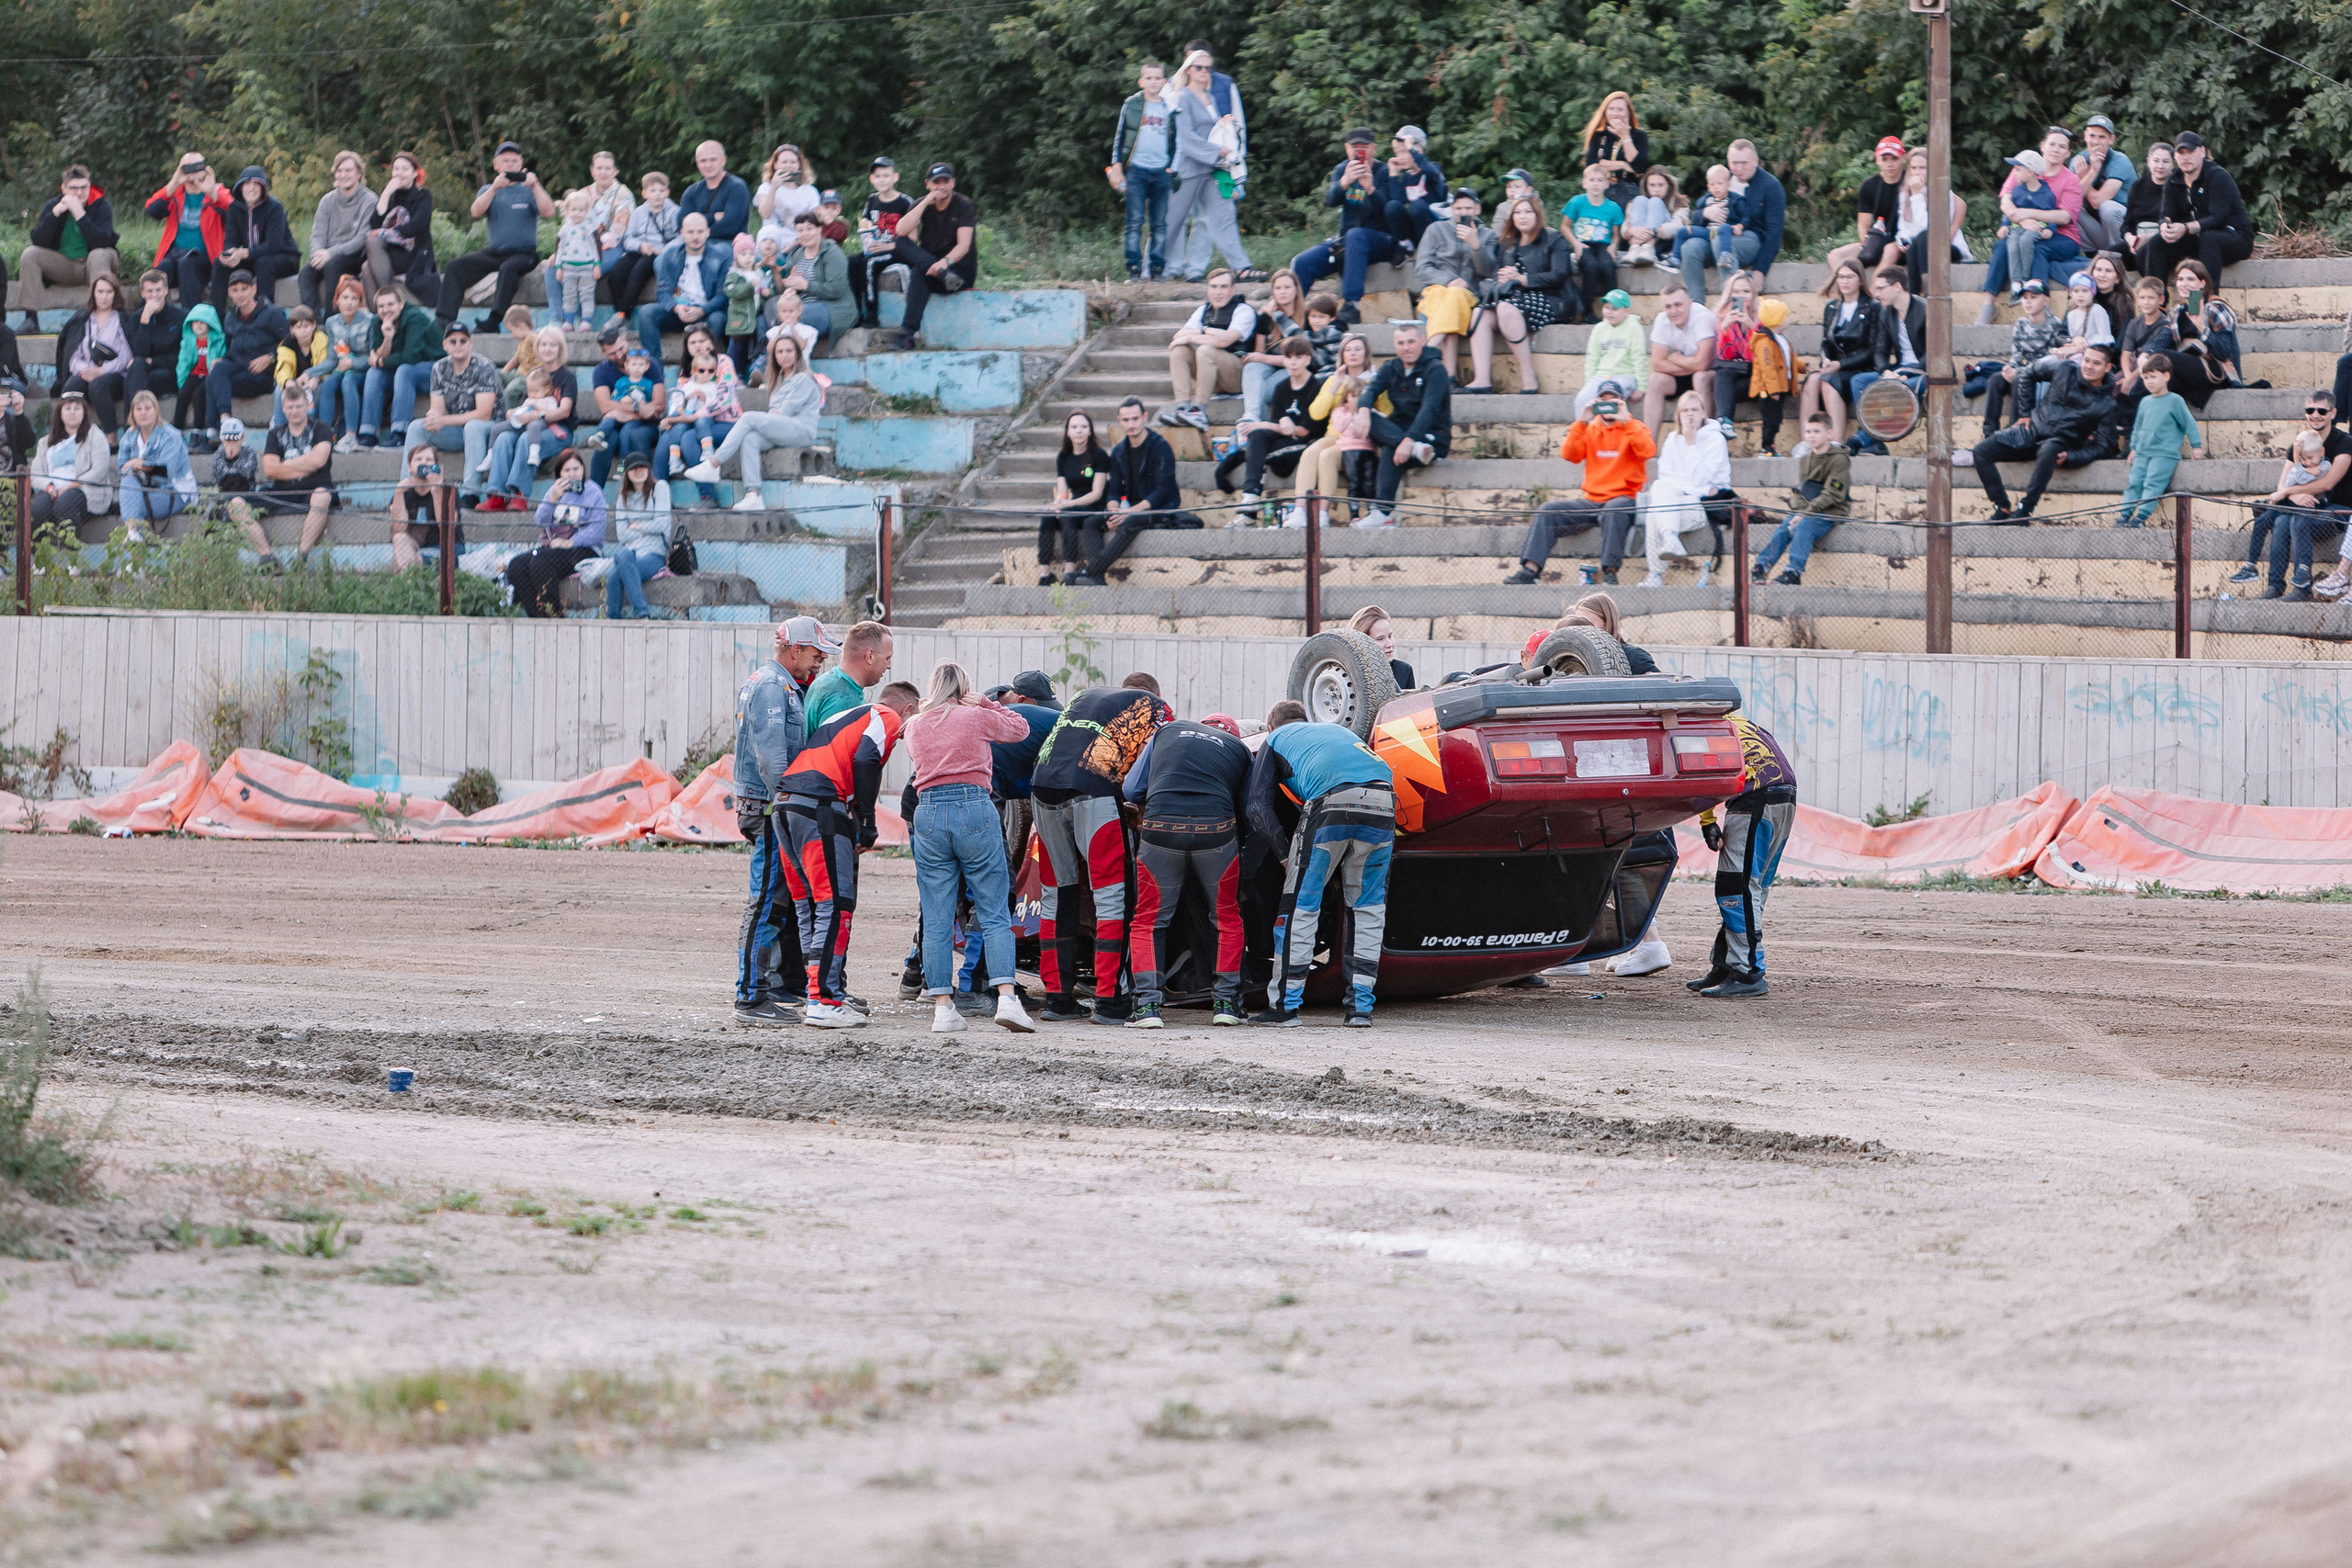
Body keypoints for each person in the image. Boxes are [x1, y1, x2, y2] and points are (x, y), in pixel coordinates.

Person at [773, 679, 918, 1028]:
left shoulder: (846, 715)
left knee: (809, 906)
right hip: (820, 807)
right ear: (908, 710)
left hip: (785, 806)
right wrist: (867, 819)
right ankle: (824, 999)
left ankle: (820, 994)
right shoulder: (886, 715)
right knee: (835, 906)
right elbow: (867, 757)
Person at [1030, 676, 1173, 1021]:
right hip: (1093, 788)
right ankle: (1111, 1000)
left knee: (1056, 894)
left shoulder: (1086, 695)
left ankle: (1057, 999)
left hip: (1042, 785)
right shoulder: (1156, 708)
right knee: (1112, 896)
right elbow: (1159, 767)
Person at [907, 661, 1038, 1033]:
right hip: (973, 807)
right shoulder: (974, 716)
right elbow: (1020, 729)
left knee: (936, 915)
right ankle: (1008, 998)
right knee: (994, 908)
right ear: (964, 688)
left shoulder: (914, 725)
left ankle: (943, 1009)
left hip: (929, 811)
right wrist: (987, 704)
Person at [1243, 707, 1396, 1027]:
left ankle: (1284, 1008)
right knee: (1367, 906)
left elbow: (1257, 806)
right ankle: (1360, 1010)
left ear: (1272, 725)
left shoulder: (1276, 737)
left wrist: (1285, 857)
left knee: (1300, 905)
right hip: (1383, 801)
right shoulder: (1338, 733)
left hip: (1331, 803)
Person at [1120, 712, 1254, 1027]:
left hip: (1160, 830)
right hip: (1217, 833)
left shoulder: (1168, 731)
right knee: (1226, 917)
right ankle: (1227, 1005)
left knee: (1149, 920)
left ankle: (1147, 1008)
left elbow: (1131, 790)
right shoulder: (1240, 750)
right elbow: (1247, 806)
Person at [732, 617, 833, 1025]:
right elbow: (772, 757)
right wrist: (789, 805)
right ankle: (750, 997)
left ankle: (769, 986)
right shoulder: (774, 688)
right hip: (770, 807)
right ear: (794, 649)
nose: (819, 663)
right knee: (766, 902)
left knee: (779, 899)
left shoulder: (778, 682)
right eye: (814, 654)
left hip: (768, 803)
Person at [1690, 714, 1796, 998]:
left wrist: (1706, 820)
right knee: (1753, 887)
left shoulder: (1698, 728)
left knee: (1735, 888)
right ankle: (1726, 964)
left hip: (1753, 799)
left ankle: (1748, 972)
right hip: (1783, 797)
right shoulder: (1740, 721)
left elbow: (1703, 774)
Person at [1508, 380, 1653, 584]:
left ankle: (1610, 574)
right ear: (1595, 404)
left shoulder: (1635, 427)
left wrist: (1626, 421)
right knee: (1548, 510)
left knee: (1613, 510)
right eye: (1603, 401)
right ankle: (1530, 571)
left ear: (1622, 402)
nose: (1607, 406)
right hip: (1592, 500)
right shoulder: (1589, 428)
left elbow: (1648, 451)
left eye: (1613, 401)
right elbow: (1569, 455)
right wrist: (1582, 422)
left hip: (1624, 497)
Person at [1961, 343, 2120, 523]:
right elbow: (2028, 373)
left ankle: (2024, 510)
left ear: (2107, 367)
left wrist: (2073, 456)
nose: (2089, 366)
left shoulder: (2107, 404)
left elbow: (2106, 446)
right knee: (1980, 452)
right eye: (2086, 360)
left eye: (2096, 363)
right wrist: (2025, 412)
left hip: (2059, 443)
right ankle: (2002, 506)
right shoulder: (2065, 368)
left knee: (2049, 448)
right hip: (2032, 431)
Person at [684, 330, 820, 512]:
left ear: (797, 354)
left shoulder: (804, 378)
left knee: (748, 417)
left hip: (801, 430)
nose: (784, 355)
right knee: (750, 438)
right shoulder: (779, 379)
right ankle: (753, 495)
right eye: (780, 352)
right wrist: (769, 418)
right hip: (784, 428)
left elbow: (786, 412)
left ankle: (713, 463)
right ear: (774, 356)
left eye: (789, 351)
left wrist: (767, 418)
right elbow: (775, 412)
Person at [1074, 397, 1202, 582]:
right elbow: (1114, 488)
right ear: (1119, 420)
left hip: (1160, 509)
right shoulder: (1119, 451)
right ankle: (1097, 578)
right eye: (1126, 420)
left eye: (1135, 419)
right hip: (1130, 509)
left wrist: (1129, 513)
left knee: (1130, 521)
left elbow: (1162, 491)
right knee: (1091, 523)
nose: (1131, 424)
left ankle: (1091, 572)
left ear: (1144, 417)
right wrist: (1113, 510)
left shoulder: (1160, 447)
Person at [1291, 129, 1406, 327]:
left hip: (1383, 241)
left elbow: (1393, 210)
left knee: (1355, 235)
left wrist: (1370, 189)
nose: (1359, 151)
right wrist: (1344, 182)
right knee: (1303, 261)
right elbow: (1330, 201)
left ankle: (1352, 304)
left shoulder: (1385, 171)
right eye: (1354, 147)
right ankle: (1293, 314)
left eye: (1364, 147)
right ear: (1346, 149)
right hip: (1348, 243)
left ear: (1373, 148)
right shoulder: (1342, 169)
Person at [1161, 50, 1255, 283]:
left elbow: (1211, 131)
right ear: (1188, 70)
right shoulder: (1182, 97)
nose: (1204, 71)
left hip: (1214, 169)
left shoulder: (1211, 97)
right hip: (1189, 169)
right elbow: (1186, 137)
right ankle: (1152, 269)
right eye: (1199, 67)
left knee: (1224, 216)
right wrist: (1216, 152)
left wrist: (1225, 126)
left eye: (1208, 68)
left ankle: (1241, 267)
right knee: (1173, 220)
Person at [2248, 391, 2352, 600]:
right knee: (2282, 521)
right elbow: (2283, 482)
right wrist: (2292, 496)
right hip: (2307, 508)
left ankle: (2302, 589)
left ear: (2333, 413)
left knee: (2298, 519)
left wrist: (2288, 492)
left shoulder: (2345, 442)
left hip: (2338, 511)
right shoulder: (2300, 443)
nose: (2315, 415)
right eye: (2310, 410)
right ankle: (2275, 585)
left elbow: (2328, 482)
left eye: (2321, 411)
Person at [438, 142, 552, 327]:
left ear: (521, 163)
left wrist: (536, 185)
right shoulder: (488, 190)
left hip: (525, 254)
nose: (510, 164)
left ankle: (493, 320)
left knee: (508, 268)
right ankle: (444, 320)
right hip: (495, 253)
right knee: (455, 267)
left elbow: (549, 212)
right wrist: (494, 189)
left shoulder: (529, 189)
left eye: (514, 161)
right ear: (496, 165)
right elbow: (475, 212)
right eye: (505, 161)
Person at [1219, 335, 1327, 525]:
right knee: (1257, 436)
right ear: (1283, 360)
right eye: (1289, 357)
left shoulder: (1316, 387)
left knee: (1256, 446)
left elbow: (1304, 432)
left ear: (1308, 359)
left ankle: (1248, 515)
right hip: (1281, 446)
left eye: (1299, 357)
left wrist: (1267, 425)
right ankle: (1250, 499)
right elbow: (1277, 428)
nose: (1293, 362)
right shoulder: (1281, 387)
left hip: (1305, 447)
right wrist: (1265, 427)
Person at [1468, 196, 1569, 394]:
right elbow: (1495, 272)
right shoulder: (1507, 243)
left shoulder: (1554, 239)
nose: (1522, 216)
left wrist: (1522, 279)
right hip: (1514, 299)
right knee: (1481, 314)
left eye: (1528, 212)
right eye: (1517, 212)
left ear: (1537, 214)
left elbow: (1560, 274)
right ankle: (1481, 380)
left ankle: (1528, 375)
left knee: (1505, 308)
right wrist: (1503, 277)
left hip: (1552, 298)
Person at [1355, 320, 1451, 527]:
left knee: (1392, 447)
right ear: (1394, 344)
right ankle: (1414, 449)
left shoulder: (1436, 369)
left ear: (1422, 341)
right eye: (1400, 343)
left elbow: (1429, 409)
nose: (1406, 348)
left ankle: (1381, 512)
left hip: (1431, 436)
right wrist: (1362, 410)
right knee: (1368, 418)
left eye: (1411, 342)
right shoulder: (1391, 367)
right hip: (1404, 436)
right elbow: (1370, 391)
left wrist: (1409, 440)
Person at [1974, 141, 2082, 321]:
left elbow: (2065, 217)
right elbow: (2006, 201)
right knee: (2002, 245)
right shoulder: (2021, 169)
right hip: (2022, 228)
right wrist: (2020, 219)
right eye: (2052, 144)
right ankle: (1988, 305)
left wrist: (2029, 214)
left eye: (2062, 147)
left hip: (2061, 235)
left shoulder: (2070, 179)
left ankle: (2040, 302)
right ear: (2042, 146)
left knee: (2038, 248)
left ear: (2068, 153)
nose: (2056, 149)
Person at [404, 320, 503, 505]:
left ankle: (471, 493)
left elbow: (484, 414)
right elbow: (438, 409)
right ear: (445, 345)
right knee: (417, 427)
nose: (458, 345)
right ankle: (408, 489)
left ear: (471, 343)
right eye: (453, 341)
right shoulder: (439, 368)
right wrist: (433, 418)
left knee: (473, 427)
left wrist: (444, 420)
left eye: (463, 341)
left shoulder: (484, 367)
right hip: (460, 431)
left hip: (490, 431)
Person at [1642, 391, 1734, 585]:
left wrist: (1691, 443)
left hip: (1704, 506)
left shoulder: (1716, 439)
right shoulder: (1672, 439)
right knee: (1658, 489)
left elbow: (1702, 477)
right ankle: (1670, 539)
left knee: (1654, 511)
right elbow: (1666, 477)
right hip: (1679, 500)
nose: (1690, 414)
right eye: (1685, 410)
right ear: (1678, 414)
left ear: (1704, 412)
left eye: (1694, 409)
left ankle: (1656, 573)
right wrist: (1698, 488)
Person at [482, 325, 576, 508]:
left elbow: (564, 411)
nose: (547, 349)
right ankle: (496, 496)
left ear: (560, 349)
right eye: (543, 345)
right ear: (537, 348)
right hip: (531, 425)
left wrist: (538, 414)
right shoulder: (534, 374)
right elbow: (527, 404)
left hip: (559, 430)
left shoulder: (568, 377)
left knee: (526, 439)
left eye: (553, 345)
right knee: (503, 437)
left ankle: (520, 495)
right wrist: (514, 413)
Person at [884, 164, 978, 347]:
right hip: (935, 271)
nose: (941, 186)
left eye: (945, 181)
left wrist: (944, 263)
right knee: (900, 243)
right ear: (928, 184)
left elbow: (964, 245)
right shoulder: (922, 203)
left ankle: (907, 334)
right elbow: (901, 230)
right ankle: (907, 337)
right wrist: (926, 202)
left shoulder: (964, 205)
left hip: (958, 272)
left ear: (953, 183)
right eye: (936, 182)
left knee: (920, 271)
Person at [2141, 133, 2253, 287]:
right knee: (2156, 244)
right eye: (2181, 153)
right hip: (2198, 241)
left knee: (2209, 239)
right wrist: (2164, 227)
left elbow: (2220, 218)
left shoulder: (2217, 176)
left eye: (2190, 152)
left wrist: (2186, 228)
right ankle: (2158, 304)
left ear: (2202, 152)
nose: (2186, 157)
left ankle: (2206, 303)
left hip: (2234, 237)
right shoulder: (2173, 181)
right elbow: (2166, 215)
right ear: (2175, 157)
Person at [1751, 412, 1850, 583]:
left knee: (1804, 525)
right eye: (1808, 431)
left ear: (1829, 434)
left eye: (1817, 431)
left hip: (1831, 511)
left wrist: (1805, 513)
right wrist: (1801, 511)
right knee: (1785, 527)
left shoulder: (1839, 460)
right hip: (1808, 510)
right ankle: (1762, 566)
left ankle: (1793, 572)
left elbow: (1833, 494)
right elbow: (1798, 491)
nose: (1811, 436)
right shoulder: (1805, 459)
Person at [502, 447, 604, 615]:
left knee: (541, 562)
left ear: (583, 469)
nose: (572, 474)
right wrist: (553, 499)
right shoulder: (553, 491)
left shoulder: (593, 492)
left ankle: (555, 614)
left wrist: (570, 542)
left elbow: (597, 529)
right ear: (559, 473)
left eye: (576, 469)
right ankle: (537, 615)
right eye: (567, 470)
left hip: (584, 550)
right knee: (516, 566)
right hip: (553, 549)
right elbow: (540, 521)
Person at [1678, 140, 1785, 297]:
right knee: (1690, 247)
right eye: (1734, 163)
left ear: (1755, 161)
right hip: (1715, 235)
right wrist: (1705, 213)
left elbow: (1775, 232)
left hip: (1750, 239)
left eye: (1744, 163)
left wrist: (1760, 270)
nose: (1739, 169)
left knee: (1721, 243)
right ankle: (1696, 306)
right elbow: (1697, 216)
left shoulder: (1771, 186)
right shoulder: (1723, 179)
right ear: (1728, 161)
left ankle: (1733, 306)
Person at [196, 269, 287, 454]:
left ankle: (216, 429)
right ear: (230, 293)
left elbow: (290, 342)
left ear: (254, 289)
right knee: (214, 374)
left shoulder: (271, 314)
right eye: (235, 290)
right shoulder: (231, 318)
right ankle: (221, 424)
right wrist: (221, 359)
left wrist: (270, 358)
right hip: (238, 370)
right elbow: (232, 349)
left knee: (215, 377)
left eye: (244, 289)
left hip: (262, 376)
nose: (240, 294)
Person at [246, 379, 337, 563]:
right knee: (236, 505)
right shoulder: (275, 434)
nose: (294, 411)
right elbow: (269, 469)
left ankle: (301, 556)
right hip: (282, 492)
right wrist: (306, 465)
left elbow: (319, 460)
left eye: (298, 406)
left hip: (316, 488)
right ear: (283, 409)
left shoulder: (321, 428)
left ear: (307, 406)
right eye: (290, 407)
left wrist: (285, 465)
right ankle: (266, 556)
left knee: (322, 496)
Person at [19, 164, 120, 321]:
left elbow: (101, 242)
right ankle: (30, 319)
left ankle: (101, 319)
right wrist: (55, 213)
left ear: (89, 185)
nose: (79, 193)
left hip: (95, 264)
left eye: (84, 187)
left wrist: (79, 213)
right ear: (64, 188)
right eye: (74, 188)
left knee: (98, 254)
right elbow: (38, 240)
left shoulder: (101, 205)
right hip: (64, 266)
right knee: (30, 254)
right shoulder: (54, 205)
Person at [1414, 189, 1494, 380]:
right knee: (1452, 297)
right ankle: (1449, 376)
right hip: (1436, 292)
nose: (1463, 212)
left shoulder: (1488, 235)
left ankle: (1431, 351)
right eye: (1458, 208)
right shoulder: (1435, 230)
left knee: (1456, 295)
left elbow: (1489, 271)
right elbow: (1422, 268)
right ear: (1451, 209)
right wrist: (1448, 280)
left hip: (1470, 295)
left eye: (1468, 208)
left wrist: (1476, 245)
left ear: (1477, 209)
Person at [1844, 265, 1925, 457]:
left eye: (1881, 288)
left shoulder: (1924, 310)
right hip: (1899, 370)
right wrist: (1885, 371)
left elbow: (1934, 357)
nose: (1876, 293)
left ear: (1897, 286)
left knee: (1898, 388)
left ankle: (1861, 439)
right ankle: (1874, 441)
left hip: (1926, 372)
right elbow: (1880, 350)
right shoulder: (1886, 312)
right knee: (1859, 381)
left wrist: (1905, 374)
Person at [2114, 355, 2202, 529]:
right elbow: (2138, 427)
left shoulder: (2174, 400)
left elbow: (2188, 423)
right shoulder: (2145, 402)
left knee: (2152, 482)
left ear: (2166, 376)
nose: (2149, 382)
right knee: (2134, 482)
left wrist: (2196, 446)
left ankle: (2141, 517)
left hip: (2164, 454)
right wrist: (2133, 448)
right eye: (2145, 378)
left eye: (2153, 377)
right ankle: (2125, 515)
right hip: (2142, 453)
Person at [1109, 61, 1177, 281]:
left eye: (1157, 78)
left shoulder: (1170, 108)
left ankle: (1157, 268)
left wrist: (1172, 168)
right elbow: (1120, 137)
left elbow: (1178, 140)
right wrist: (1117, 166)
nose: (1153, 82)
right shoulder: (1132, 104)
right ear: (1141, 81)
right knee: (1134, 221)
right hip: (1137, 170)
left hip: (1161, 171)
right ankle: (1134, 269)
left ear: (1164, 82)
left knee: (1159, 224)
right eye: (1148, 78)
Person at [634, 211, 727, 368]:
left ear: (708, 232)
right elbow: (662, 292)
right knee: (646, 312)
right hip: (678, 313)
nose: (695, 236)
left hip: (705, 314)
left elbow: (721, 295)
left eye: (700, 231)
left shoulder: (721, 257)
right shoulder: (670, 255)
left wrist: (701, 310)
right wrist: (676, 308)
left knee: (718, 318)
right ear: (682, 233)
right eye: (690, 232)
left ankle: (703, 367)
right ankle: (654, 369)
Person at [1799, 260, 1875, 445]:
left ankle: (1836, 443)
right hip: (1835, 367)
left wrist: (1839, 365)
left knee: (1828, 381)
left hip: (1860, 369)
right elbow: (1826, 343)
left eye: (1850, 277)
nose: (1845, 281)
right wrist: (1825, 359)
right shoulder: (1832, 308)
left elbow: (1871, 350)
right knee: (1812, 380)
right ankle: (1807, 442)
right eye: (1841, 277)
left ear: (1860, 281)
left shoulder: (1872, 307)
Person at [146, 152, 232, 310]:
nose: (192, 172)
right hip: (175, 257)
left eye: (197, 167)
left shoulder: (217, 191)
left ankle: (192, 321)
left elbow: (234, 214)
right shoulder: (175, 194)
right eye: (188, 168)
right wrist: (174, 182)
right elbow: (152, 210)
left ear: (205, 169)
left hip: (205, 260)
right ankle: (145, 320)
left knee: (187, 264)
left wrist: (211, 193)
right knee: (160, 272)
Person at [1822, 136, 1910, 288]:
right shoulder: (1870, 185)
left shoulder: (1911, 181)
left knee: (1890, 250)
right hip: (1879, 239)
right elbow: (1863, 226)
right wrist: (1868, 245)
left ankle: (1874, 294)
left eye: (1894, 159)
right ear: (1877, 160)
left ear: (1903, 158)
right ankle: (1853, 291)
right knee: (1835, 255)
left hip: (1903, 244)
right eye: (1885, 159)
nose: (1889, 164)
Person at [363, 285, 442, 449]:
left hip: (435, 369)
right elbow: (379, 355)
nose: (386, 310)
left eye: (390, 304)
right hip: (406, 371)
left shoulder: (415, 318)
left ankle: (400, 433)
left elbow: (410, 357)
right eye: (381, 306)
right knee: (374, 373)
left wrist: (379, 362)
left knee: (404, 370)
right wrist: (388, 339)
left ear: (401, 304)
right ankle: (368, 433)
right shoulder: (377, 321)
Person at [28, 389, 110, 542]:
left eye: (77, 408)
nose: (72, 412)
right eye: (68, 408)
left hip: (84, 488)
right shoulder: (45, 442)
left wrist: (72, 485)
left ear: (84, 412)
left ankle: (73, 556)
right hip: (52, 489)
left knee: (65, 503)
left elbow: (99, 470)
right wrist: (49, 488)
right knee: (37, 508)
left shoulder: (95, 435)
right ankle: (38, 561)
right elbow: (36, 474)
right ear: (60, 413)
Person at [214, 165, 298, 316]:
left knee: (264, 262)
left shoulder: (274, 207)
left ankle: (263, 315)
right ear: (240, 187)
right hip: (255, 257)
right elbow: (231, 238)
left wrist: (245, 253)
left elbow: (274, 244)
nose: (251, 188)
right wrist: (229, 254)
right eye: (247, 184)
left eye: (256, 184)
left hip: (284, 258)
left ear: (263, 188)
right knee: (220, 264)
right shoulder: (234, 208)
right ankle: (217, 317)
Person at [114, 389, 196, 542]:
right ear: (132, 413)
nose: (143, 413)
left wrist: (139, 464)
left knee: (132, 507)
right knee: (128, 483)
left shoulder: (171, 436)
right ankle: (134, 537)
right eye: (138, 409)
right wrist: (136, 465)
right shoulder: (129, 436)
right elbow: (121, 470)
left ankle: (136, 555)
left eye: (148, 408)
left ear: (156, 410)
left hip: (175, 492)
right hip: (142, 491)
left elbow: (165, 474)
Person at [1984, 279, 2064, 435]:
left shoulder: (2056, 324)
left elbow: (2049, 361)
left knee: (2019, 381)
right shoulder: (2021, 324)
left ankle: (2016, 430)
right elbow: (2017, 353)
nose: (2028, 302)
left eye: (2033, 297)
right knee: (1995, 380)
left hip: (2041, 377)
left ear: (2046, 300)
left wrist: (2019, 372)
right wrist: (2011, 367)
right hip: (2023, 371)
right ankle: (1989, 432)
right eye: (2025, 298)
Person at [1040, 411, 1112, 583]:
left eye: (1083, 426)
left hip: (1093, 506)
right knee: (1048, 517)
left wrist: (1068, 504)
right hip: (1073, 504)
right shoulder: (1063, 457)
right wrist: (1059, 502)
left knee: (1067, 514)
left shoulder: (1099, 455)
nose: (1078, 431)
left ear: (1090, 431)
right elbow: (1063, 490)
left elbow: (1097, 494)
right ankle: (1044, 573)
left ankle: (1070, 567)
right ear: (1067, 432)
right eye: (1074, 427)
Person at [300, 151, 376, 311]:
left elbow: (362, 238)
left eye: (348, 170)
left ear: (359, 173)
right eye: (339, 171)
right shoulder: (327, 201)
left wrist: (330, 253)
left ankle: (331, 318)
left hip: (354, 255)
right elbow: (318, 233)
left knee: (332, 267)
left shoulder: (369, 200)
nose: (343, 175)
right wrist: (317, 253)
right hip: (327, 255)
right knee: (306, 273)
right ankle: (313, 321)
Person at [56, 273, 132, 434]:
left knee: (98, 385)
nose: (104, 297)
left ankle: (111, 436)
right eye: (100, 292)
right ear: (93, 293)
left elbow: (126, 356)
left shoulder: (121, 319)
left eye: (109, 292)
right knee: (72, 385)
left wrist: (101, 371)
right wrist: (86, 370)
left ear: (115, 293)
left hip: (115, 376)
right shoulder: (83, 318)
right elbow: (73, 356)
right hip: (87, 373)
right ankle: (66, 435)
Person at [2161, 258, 2243, 408]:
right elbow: (2160, 341)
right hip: (2191, 370)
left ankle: (2127, 417)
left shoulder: (2214, 308)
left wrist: (2203, 329)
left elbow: (2224, 352)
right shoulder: (2178, 312)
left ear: (2202, 283)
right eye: (2180, 279)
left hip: (2218, 371)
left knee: (2162, 357)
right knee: (2162, 382)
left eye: (2191, 279)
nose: (2184, 284)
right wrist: (2146, 356)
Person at [599, 451, 672, 617]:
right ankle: (637, 615)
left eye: (642, 467)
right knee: (622, 555)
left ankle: (623, 617)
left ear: (648, 469)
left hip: (655, 553)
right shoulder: (622, 497)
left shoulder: (660, 488)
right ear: (627, 473)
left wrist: (637, 526)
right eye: (633, 469)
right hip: (631, 554)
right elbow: (622, 535)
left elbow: (663, 524)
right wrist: (647, 529)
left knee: (614, 575)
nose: (638, 471)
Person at [1895, 146, 1971, 299]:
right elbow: (1904, 228)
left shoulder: (1943, 192)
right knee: (1912, 248)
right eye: (1914, 167)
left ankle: (1928, 288)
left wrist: (1916, 195)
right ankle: (1914, 298)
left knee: (1924, 236)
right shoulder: (1904, 195)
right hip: (1919, 248)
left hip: (1947, 247)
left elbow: (1930, 228)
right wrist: (1902, 241)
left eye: (1922, 167)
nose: (1917, 172)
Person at [359, 152, 435, 303]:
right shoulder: (391, 196)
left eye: (405, 169)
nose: (399, 173)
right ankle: (382, 311)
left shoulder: (423, 196)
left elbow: (416, 227)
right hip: (390, 254)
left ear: (415, 173)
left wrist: (387, 233)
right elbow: (375, 224)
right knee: (366, 267)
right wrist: (386, 193)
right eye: (396, 169)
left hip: (413, 253)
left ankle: (389, 300)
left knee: (372, 239)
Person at [1236, 267, 1309, 423]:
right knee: (1252, 366)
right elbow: (1259, 353)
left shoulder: (1307, 317)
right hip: (1271, 370)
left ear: (1296, 290)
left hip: (1295, 369)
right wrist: (1263, 317)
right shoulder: (1266, 317)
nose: (1282, 292)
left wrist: (1263, 358)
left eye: (1287, 287)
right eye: (1278, 288)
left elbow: (1300, 358)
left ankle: (1256, 427)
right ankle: (1251, 417)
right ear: (1273, 292)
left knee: (1257, 393)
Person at [1644, 282, 1717, 434]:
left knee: (1700, 377)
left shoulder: (1702, 316)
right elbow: (1657, 364)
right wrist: (1692, 363)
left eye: (1678, 305)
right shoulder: (1662, 320)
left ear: (1689, 303)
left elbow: (1703, 364)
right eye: (1668, 306)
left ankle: (1706, 437)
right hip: (1685, 374)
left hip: (1711, 374)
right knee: (1655, 380)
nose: (1673, 311)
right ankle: (1649, 449)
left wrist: (1677, 359)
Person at [605, 171, 676, 319]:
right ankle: (621, 314)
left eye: (662, 191)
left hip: (659, 252)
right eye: (653, 191)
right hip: (639, 249)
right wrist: (640, 246)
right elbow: (628, 238)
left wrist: (662, 250)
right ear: (645, 193)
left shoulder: (674, 212)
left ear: (667, 193)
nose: (657, 195)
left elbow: (681, 237)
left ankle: (621, 315)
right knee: (616, 274)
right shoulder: (639, 212)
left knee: (639, 271)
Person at [121, 269, 186, 427]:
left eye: (158, 290)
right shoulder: (137, 318)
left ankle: (134, 425)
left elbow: (182, 357)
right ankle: (136, 425)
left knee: (136, 379)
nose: (154, 295)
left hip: (171, 373)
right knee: (137, 367)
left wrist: (153, 361)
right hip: (145, 373)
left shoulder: (181, 316)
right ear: (143, 293)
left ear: (166, 290)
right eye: (149, 291)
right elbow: (139, 353)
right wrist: (145, 320)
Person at [317, 276, 376, 449]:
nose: (349, 303)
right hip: (341, 368)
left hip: (364, 371)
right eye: (345, 297)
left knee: (348, 381)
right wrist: (309, 374)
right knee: (329, 381)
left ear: (360, 302)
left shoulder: (369, 321)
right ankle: (324, 433)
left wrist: (353, 364)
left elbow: (373, 358)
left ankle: (351, 435)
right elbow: (331, 359)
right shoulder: (331, 322)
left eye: (354, 298)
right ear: (337, 300)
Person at [778, 210, 853, 344]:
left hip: (833, 308)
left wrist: (806, 285)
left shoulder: (832, 253)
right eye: (800, 230)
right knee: (765, 316)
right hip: (801, 305)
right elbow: (789, 284)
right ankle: (763, 359)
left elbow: (837, 289)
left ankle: (770, 360)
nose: (805, 234)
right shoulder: (797, 255)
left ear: (819, 229)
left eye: (809, 228)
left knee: (791, 318)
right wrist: (789, 286)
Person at [806, 620, 895, 728]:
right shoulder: (844, 699)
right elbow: (835, 745)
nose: (889, 666)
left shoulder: (827, 681)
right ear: (870, 656)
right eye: (887, 658)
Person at [387, 440, 459, 572]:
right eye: (418, 459)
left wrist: (436, 491)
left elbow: (447, 527)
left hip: (446, 548)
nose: (424, 463)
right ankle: (410, 588)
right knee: (399, 538)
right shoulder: (404, 491)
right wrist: (398, 492)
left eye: (429, 460)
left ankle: (408, 589)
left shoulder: (448, 489)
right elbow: (399, 527)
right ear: (409, 466)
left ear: (436, 465)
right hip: (416, 547)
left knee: (410, 562)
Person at [1561, 165, 1623, 321]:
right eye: (1592, 180)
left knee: (1608, 266)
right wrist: (1575, 244)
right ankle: (1587, 311)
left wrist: (1614, 246)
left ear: (1607, 184)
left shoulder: (1613, 207)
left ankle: (1615, 308)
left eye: (1600, 180)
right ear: (1584, 183)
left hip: (1603, 245)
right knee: (1591, 266)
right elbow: (1565, 226)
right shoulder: (1577, 202)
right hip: (1583, 244)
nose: (1595, 184)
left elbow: (1616, 235)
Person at [1576, 288, 1648, 416]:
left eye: (1615, 309)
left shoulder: (1634, 328)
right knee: (1581, 400)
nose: (1609, 312)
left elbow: (1639, 358)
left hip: (1625, 375)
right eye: (1607, 307)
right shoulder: (1599, 329)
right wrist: (1589, 384)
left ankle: (1612, 434)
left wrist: (1641, 387)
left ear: (1627, 311)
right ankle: (1585, 434)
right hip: (1600, 376)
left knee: (1610, 399)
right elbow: (1592, 359)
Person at [2072, 116, 2135, 253]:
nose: (2095, 142)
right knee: (2070, 211)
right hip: (2098, 229)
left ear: (2111, 139)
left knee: (2108, 207)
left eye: (2101, 137)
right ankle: (2096, 257)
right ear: (2085, 136)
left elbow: (2097, 202)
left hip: (2126, 228)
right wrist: (2090, 174)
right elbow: (2073, 200)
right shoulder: (2079, 161)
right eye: (2092, 136)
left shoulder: (2120, 161)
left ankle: (2119, 256)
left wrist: (2090, 173)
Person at [547, 186, 604, 333]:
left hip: (587, 267)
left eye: (581, 210)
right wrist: (558, 267)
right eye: (574, 210)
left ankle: (586, 321)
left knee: (586, 294)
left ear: (587, 211)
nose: (577, 213)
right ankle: (569, 321)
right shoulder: (564, 230)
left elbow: (596, 248)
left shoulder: (590, 229)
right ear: (567, 211)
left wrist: (597, 265)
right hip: (568, 268)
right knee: (569, 295)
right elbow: (559, 249)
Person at [1582, 91, 1650, 209]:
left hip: (1629, 191)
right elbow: (1591, 166)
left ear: (1628, 113)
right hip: (1600, 189)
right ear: (1605, 112)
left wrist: (1625, 137)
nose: (1615, 113)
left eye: (1620, 109)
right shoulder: (1598, 136)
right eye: (1611, 109)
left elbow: (1640, 167)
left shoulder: (1639, 136)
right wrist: (1624, 164)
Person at [678, 140, 752, 246]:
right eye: (703, 161)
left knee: (711, 261)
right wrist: (713, 217)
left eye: (713, 159)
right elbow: (682, 223)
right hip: (691, 243)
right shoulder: (691, 191)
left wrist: (696, 226)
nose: (708, 165)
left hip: (727, 243)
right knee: (663, 257)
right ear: (697, 163)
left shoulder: (736, 187)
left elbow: (729, 227)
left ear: (723, 160)